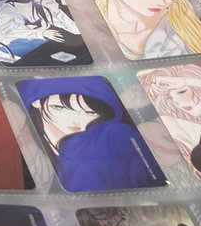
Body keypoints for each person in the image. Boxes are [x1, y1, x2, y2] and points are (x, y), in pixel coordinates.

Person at [19, 76, 167, 191]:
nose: (76, 119)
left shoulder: (116, 137)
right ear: (36, 103)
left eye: (90, 112)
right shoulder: (23, 129)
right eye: (59, 107)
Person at [0, 0, 91, 66]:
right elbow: (10, 31)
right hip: (12, 43)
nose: (50, 1)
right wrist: (41, 33)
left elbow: (75, 30)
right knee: (53, 54)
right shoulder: (8, 8)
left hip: (40, 41)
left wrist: (57, 10)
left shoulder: (43, 7)